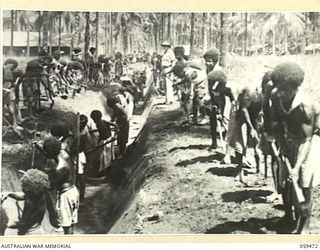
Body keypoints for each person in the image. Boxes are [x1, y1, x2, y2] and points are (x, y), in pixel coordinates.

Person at [269, 62, 320, 234]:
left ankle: (304, 225)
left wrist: (297, 167)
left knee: (304, 184)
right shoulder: (276, 96)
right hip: (288, 140)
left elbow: (307, 139)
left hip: (309, 143)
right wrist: (280, 143)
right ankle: (289, 218)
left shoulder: (305, 106)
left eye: (285, 89)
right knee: (285, 182)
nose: (281, 93)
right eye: (278, 88)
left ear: (294, 87)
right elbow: (276, 123)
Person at [41, 137, 78, 234]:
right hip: (72, 192)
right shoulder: (63, 154)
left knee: (66, 226)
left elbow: (51, 187)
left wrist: (38, 179)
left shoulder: (60, 168)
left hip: (66, 196)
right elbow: (49, 155)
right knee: (71, 222)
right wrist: (38, 147)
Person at [1, 169, 55, 235]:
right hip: (37, 230)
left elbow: (27, 222)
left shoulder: (33, 203)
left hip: (32, 232)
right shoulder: (41, 194)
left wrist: (14, 225)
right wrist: (10, 194)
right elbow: (23, 196)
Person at [206, 69, 235, 149]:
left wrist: (223, 113)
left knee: (225, 121)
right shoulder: (212, 84)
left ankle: (229, 143)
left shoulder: (226, 89)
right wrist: (214, 105)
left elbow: (232, 101)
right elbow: (212, 95)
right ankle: (214, 143)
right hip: (215, 103)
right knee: (213, 120)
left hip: (226, 104)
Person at [3, 59, 23, 130]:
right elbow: (8, 81)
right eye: (13, 66)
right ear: (9, 63)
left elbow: (11, 81)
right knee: (11, 106)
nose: (13, 68)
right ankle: (14, 124)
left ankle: (13, 124)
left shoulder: (6, 69)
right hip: (6, 89)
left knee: (10, 106)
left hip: (7, 89)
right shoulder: (5, 69)